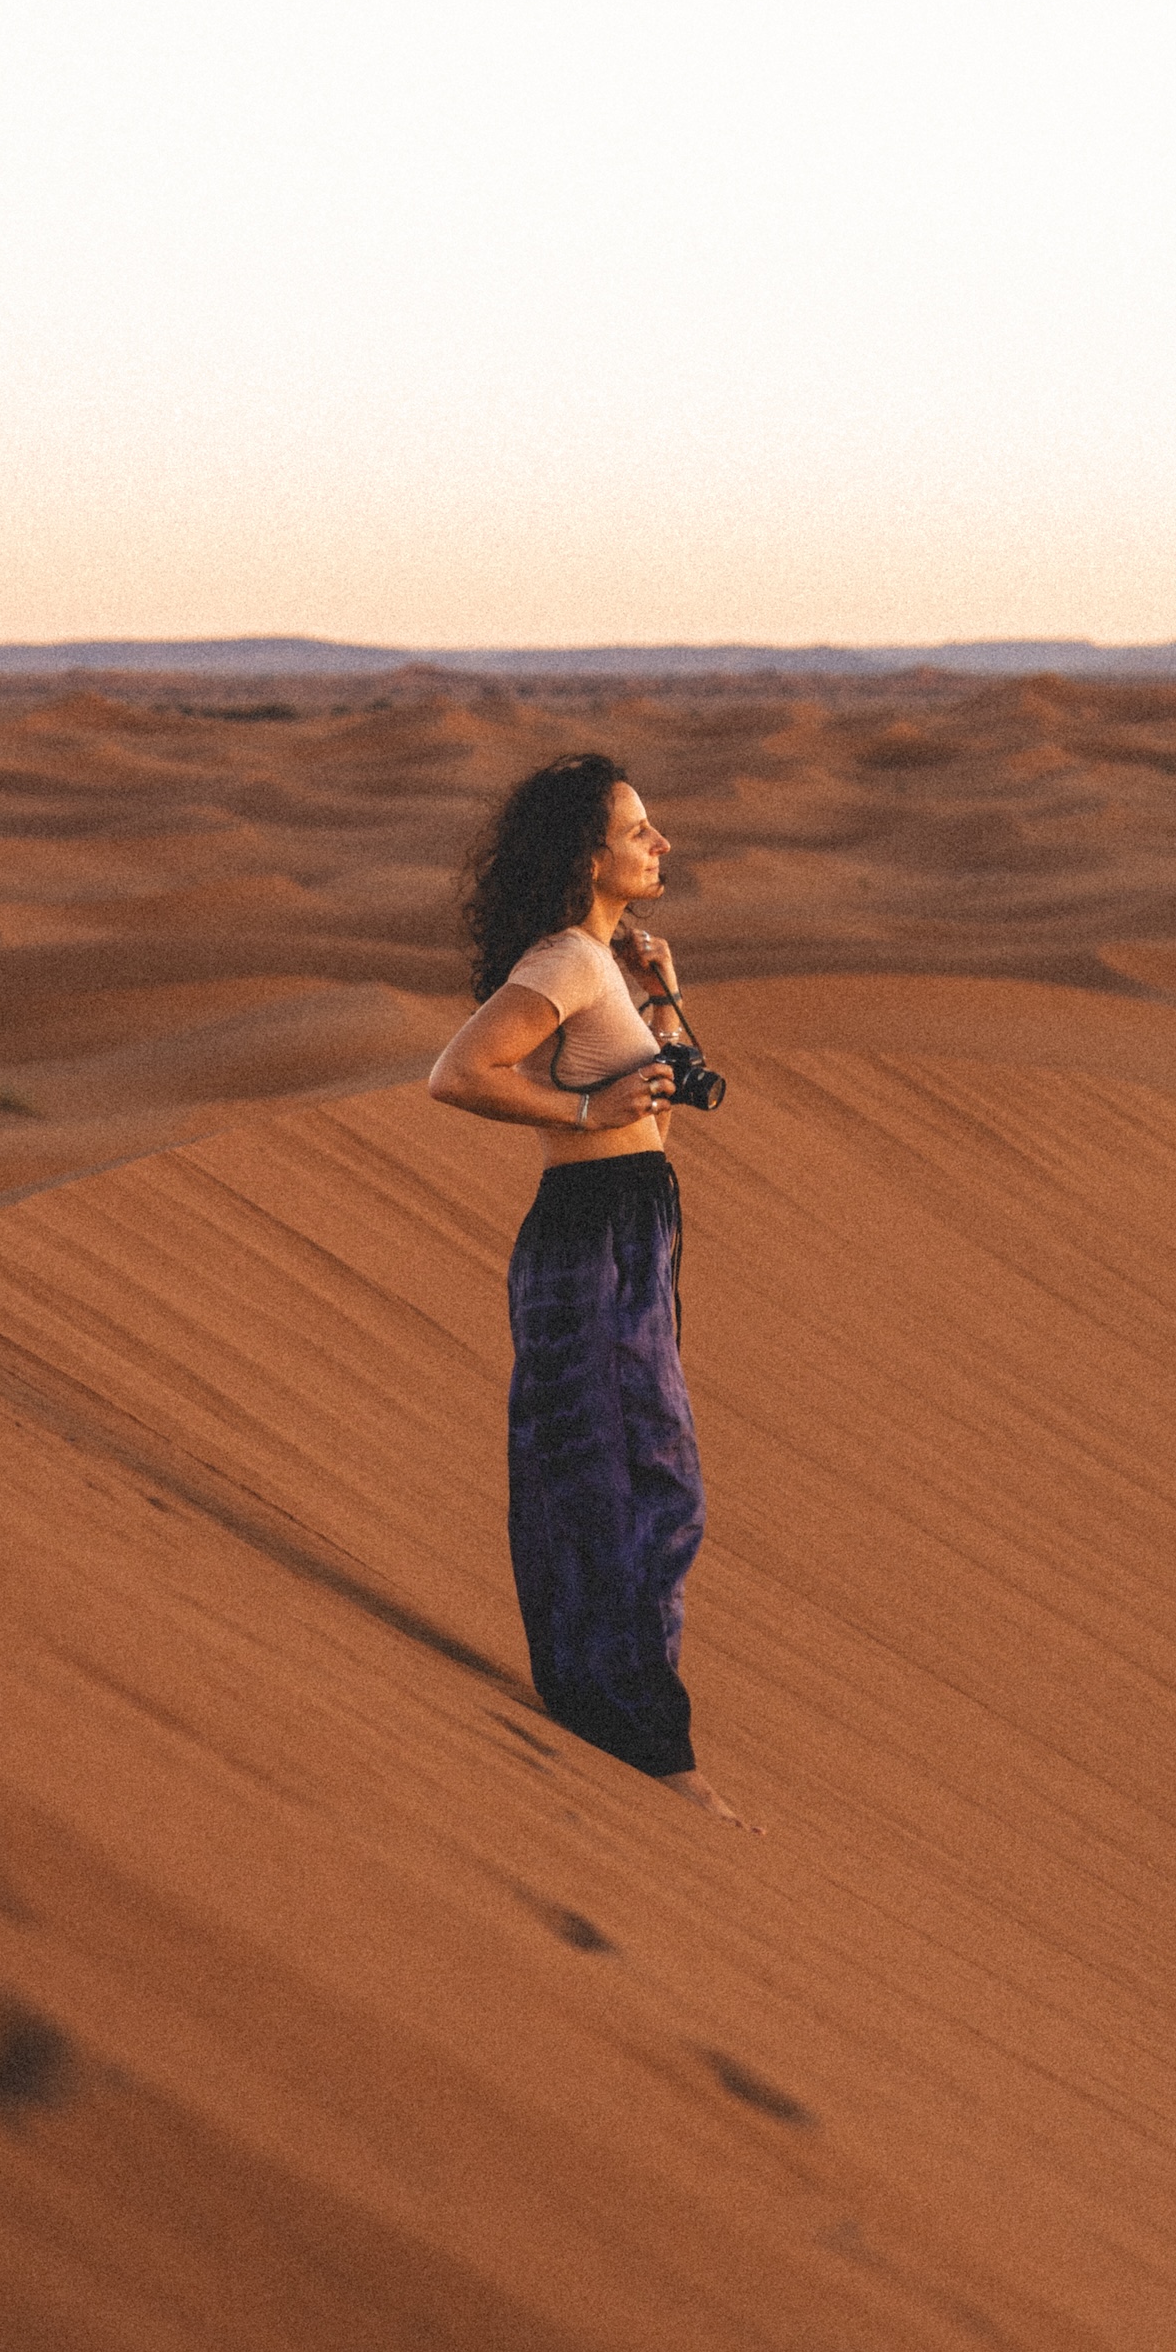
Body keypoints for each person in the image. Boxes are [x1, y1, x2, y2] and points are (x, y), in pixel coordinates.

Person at [428, 753, 756, 1828]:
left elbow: (682, 1084)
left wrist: (659, 994)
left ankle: (620, 1714)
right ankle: (652, 1751)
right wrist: (582, 1114)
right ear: (589, 855)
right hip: (591, 1233)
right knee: (635, 1480)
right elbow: (459, 1071)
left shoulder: (607, 957)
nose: (659, 843)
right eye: (639, 828)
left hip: (633, 1225)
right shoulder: (566, 957)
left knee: (637, 1476)